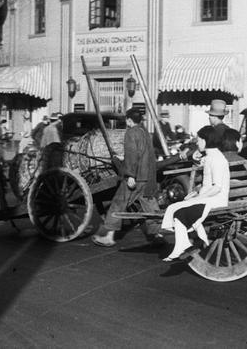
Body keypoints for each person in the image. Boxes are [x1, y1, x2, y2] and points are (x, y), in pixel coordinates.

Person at [92, 108, 162, 247]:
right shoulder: (145, 132)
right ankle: (158, 234)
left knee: (118, 203)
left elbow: (132, 156)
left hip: (135, 177)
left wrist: (130, 175)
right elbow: (145, 154)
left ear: (129, 120)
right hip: (146, 177)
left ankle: (109, 237)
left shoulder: (130, 133)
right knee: (150, 207)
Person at [161, 125, 230, 261]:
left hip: (216, 200)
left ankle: (183, 244)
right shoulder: (213, 156)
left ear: (205, 141)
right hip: (211, 198)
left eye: (198, 140)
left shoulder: (216, 159)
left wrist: (198, 197)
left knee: (178, 210)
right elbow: (206, 175)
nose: (197, 143)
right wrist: (196, 193)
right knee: (175, 208)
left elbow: (217, 187)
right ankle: (183, 244)